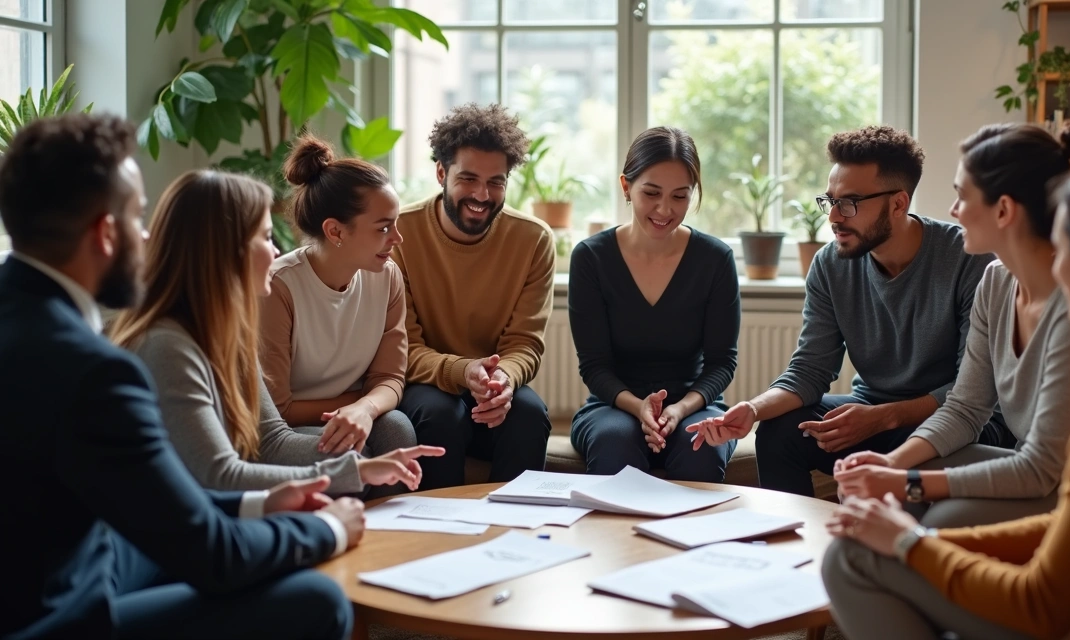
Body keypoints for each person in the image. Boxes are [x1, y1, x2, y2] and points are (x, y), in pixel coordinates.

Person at [0, 114, 361, 639]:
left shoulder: (26, 324)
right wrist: (327, 529)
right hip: (48, 621)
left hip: (40, 568)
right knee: (317, 599)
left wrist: (257, 503)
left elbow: (153, 506)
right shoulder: (94, 373)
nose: (148, 237)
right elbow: (211, 555)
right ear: (105, 234)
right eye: (137, 218)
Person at [822, 162, 1070, 640]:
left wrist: (910, 543)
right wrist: (922, 535)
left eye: (1061, 248)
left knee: (852, 557)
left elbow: (1041, 603)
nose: (1054, 263)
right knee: (874, 550)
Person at [688, 125, 1009, 496]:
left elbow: (971, 392)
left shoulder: (969, 260)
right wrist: (754, 409)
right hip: (872, 410)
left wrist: (883, 417)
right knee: (780, 429)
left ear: (898, 204)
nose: (834, 217)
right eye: (830, 201)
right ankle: (794, 543)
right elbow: (810, 370)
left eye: (850, 203)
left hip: (960, 422)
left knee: (938, 445)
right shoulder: (830, 264)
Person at [110, 169, 444, 497]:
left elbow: (270, 439)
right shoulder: (168, 346)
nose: (275, 253)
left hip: (223, 504)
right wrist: (356, 469)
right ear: (225, 250)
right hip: (193, 522)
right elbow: (219, 474)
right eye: (266, 237)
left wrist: (363, 449)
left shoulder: (226, 330)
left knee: (392, 431)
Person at [829, 124, 1070, 528]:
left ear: (1004, 210)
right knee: (899, 494)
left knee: (936, 516)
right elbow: (966, 407)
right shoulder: (996, 281)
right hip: (1030, 464)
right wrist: (890, 464)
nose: (953, 211)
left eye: (961, 195)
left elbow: (1043, 468)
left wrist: (907, 484)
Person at [393, 103, 555, 489]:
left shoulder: (533, 240)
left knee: (529, 414)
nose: (482, 195)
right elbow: (403, 347)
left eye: (496, 182)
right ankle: (438, 529)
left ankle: (514, 532)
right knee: (440, 414)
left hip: (493, 387)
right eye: (468, 179)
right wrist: (462, 371)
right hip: (427, 386)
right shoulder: (400, 233)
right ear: (441, 173)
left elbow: (525, 344)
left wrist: (504, 378)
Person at [568, 126, 741, 481]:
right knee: (615, 444)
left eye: (680, 196)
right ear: (626, 187)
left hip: (694, 404)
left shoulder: (716, 259)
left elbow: (722, 363)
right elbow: (594, 366)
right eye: (652, 193)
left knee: (701, 449)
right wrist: (639, 406)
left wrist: (678, 410)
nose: (665, 209)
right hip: (612, 405)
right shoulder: (590, 258)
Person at [261, 136, 422, 478]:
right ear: (335, 231)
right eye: (383, 227)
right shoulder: (278, 287)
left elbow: (391, 378)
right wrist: (353, 406)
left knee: (398, 430)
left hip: (355, 406)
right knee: (353, 452)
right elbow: (277, 409)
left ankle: (395, 531)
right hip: (288, 428)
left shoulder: (387, 277)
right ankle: (347, 530)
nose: (398, 238)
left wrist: (364, 407)